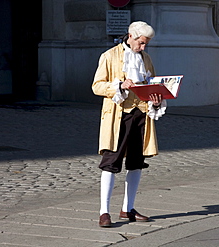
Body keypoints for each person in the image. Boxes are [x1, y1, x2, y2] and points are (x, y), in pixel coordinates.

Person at [92, 21, 167, 227]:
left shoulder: (146, 59)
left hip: (141, 115)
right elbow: (97, 86)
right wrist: (118, 85)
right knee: (111, 162)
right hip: (119, 115)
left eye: (146, 44)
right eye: (141, 43)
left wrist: (157, 97)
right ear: (131, 36)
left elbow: (152, 83)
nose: (143, 48)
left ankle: (128, 208)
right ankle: (103, 212)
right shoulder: (109, 56)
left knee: (136, 162)